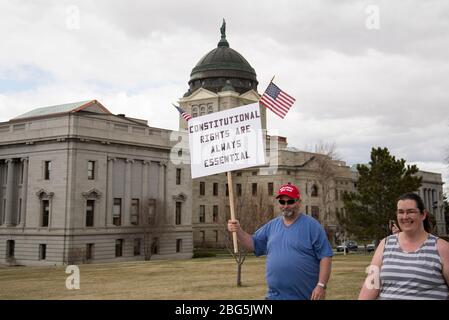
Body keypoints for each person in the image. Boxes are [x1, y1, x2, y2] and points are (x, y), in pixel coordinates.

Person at [228, 183, 333, 300]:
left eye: (290, 202)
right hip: (274, 297)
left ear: (299, 202)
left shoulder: (312, 226)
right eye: (282, 202)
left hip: (305, 296)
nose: (286, 206)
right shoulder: (271, 226)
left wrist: (321, 285)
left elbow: (325, 256)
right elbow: (253, 243)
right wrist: (238, 231)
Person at [359, 192, 449, 300]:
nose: (405, 217)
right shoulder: (385, 244)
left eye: (410, 212)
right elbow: (372, 283)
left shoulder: (442, 248)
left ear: (423, 214)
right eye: (401, 212)